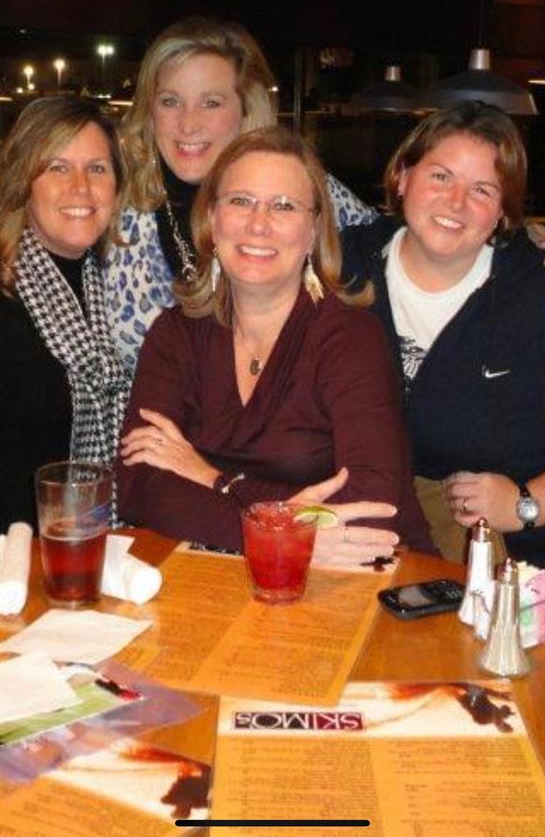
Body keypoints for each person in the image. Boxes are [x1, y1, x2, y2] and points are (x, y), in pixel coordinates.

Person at [117, 127, 432, 565]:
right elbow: (140, 489)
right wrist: (281, 532)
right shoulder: (175, 334)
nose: (258, 224)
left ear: (313, 230)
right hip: (228, 569)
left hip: (361, 579)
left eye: (283, 206)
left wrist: (213, 480)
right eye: (241, 201)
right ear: (211, 219)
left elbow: (369, 514)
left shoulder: (350, 338)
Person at [104, 15, 375, 374]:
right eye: (170, 101)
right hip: (146, 426)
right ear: (150, 111)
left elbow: (390, 262)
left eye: (211, 103)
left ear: (246, 107)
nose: (187, 123)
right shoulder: (114, 201)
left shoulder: (302, 187)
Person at [342, 101, 545, 566]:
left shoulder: (533, 293)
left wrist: (524, 504)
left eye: (482, 189)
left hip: (514, 562)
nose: (456, 203)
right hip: (362, 532)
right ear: (403, 177)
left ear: (501, 213)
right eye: (441, 176)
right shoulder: (340, 269)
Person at [0, 96, 130, 532]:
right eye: (57, 167)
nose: (81, 187)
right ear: (24, 180)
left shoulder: (119, 293)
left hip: (91, 554)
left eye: (97, 168)